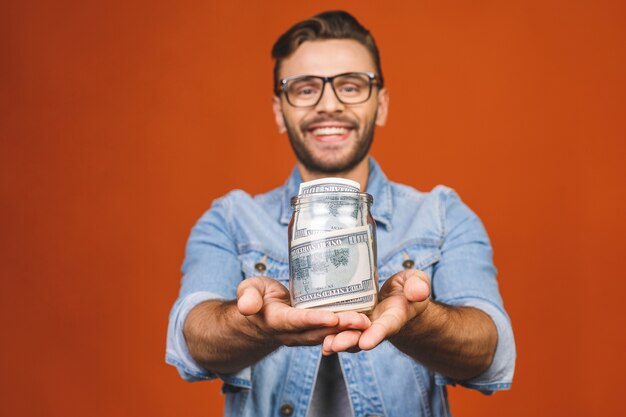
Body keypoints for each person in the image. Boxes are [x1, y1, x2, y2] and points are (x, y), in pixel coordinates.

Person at [166, 10, 515, 417]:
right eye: (304, 88)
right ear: (280, 111)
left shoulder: (441, 216)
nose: (328, 104)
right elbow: (193, 339)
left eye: (351, 86)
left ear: (380, 105)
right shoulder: (230, 220)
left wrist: (417, 320)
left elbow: (490, 350)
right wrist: (258, 324)